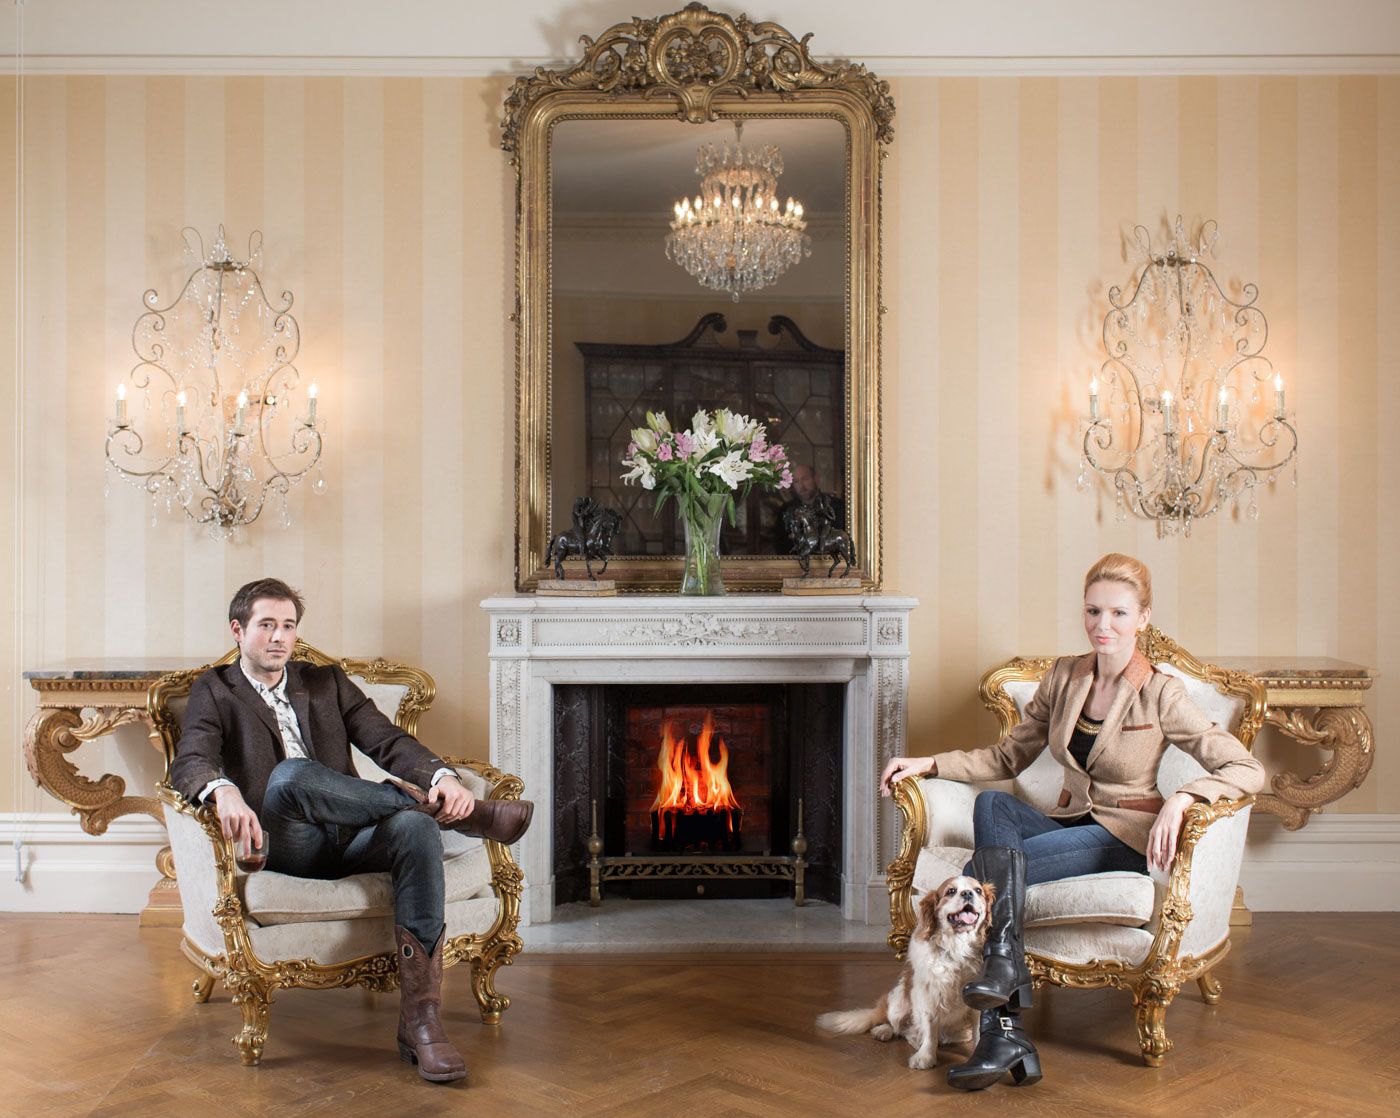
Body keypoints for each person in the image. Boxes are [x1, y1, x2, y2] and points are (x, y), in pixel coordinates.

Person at [880, 554, 1264, 1091]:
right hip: (1067, 821)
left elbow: (1246, 768)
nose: (1103, 626)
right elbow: (1007, 758)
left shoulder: (1162, 692)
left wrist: (1181, 800)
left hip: (1122, 838)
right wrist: (929, 763)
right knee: (990, 808)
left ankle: (1000, 1028)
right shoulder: (1065, 676)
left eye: (1119, 614)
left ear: (1144, 618)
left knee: (980, 877)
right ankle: (1005, 1020)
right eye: (1093, 611)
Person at [169, 577, 534, 1084]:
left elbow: (384, 739)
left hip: (353, 834)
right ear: (238, 630)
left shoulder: (326, 682)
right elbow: (191, 759)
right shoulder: (215, 689)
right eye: (266, 625)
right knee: (290, 777)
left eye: (288, 626)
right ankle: (465, 819)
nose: (279, 637)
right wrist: (223, 790)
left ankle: (422, 1023)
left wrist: (441, 776)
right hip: (288, 843)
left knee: (413, 831)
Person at [778, 463, 845, 552]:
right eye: (796, 481)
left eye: (805, 479)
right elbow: (780, 546)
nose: (801, 486)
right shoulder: (786, 509)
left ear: (816, 479)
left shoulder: (837, 506)